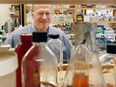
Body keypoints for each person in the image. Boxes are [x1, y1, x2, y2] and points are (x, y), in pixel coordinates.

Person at [2, 4, 72, 63]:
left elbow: (73, 58)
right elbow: (2, 56)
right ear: (32, 15)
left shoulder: (60, 36)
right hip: (26, 77)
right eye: (40, 13)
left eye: (47, 13)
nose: (44, 17)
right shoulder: (17, 36)